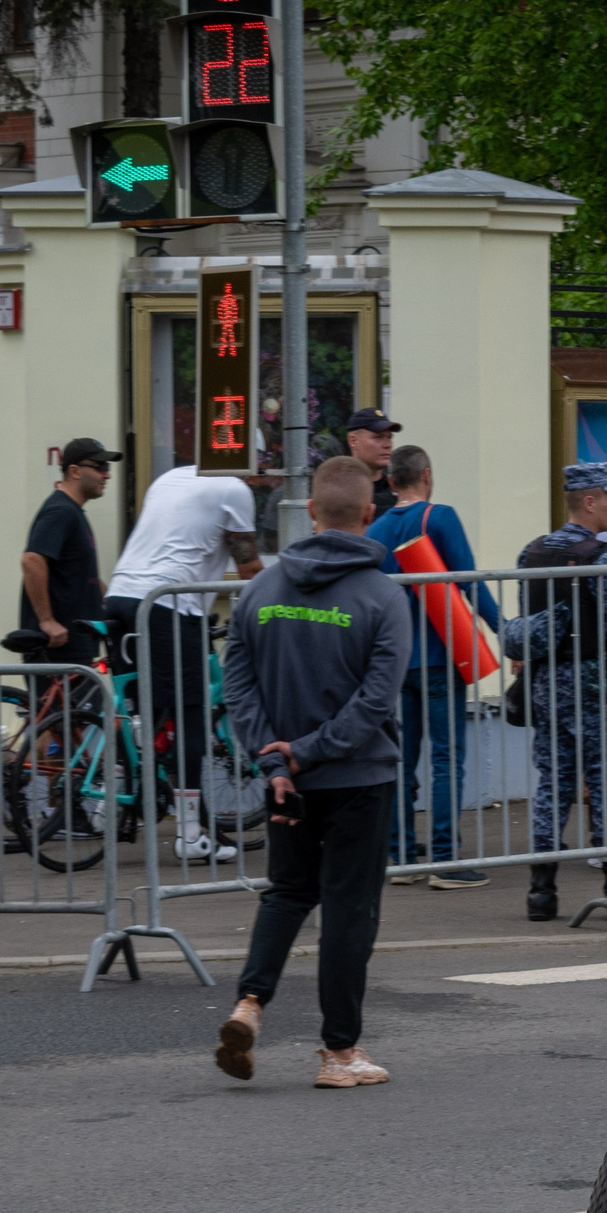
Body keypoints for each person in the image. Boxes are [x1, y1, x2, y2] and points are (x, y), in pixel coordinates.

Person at [214, 456, 409, 1089]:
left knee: (288, 890)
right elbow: (376, 701)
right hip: (357, 775)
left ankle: (249, 1003)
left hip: (284, 781)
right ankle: (339, 1052)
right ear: (369, 516)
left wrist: (274, 757)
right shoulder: (383, 595)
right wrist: (310, 750)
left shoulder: (260, 591)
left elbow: (237, 685)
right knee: (349, 911)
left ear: (312, 514)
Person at [106, 461, 264, 863]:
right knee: (191, 713)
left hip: (121, 595)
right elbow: (249, 567)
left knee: (141, 715)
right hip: (169, 603)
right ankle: (191, 835)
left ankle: (113, 805)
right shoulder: (234, 489)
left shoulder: (170, 477)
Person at [366, 443, 502, 890]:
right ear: (426, 474)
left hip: (394, 661)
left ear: (389, 481)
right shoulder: (439, 517)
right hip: (441, 656)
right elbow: (468, 582)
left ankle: (400, 855)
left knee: (403, 758)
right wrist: (506, 631)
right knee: (446, 758)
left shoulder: (379, 527)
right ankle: (444, 859)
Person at [515, 463, 607, 923]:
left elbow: (526, 629)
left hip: (548, 688)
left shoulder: (531, 553)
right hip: (599, 689)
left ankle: (541, 892)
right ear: (589, 502)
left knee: (554, 784)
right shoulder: (604, 557)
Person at [20, 437, 118, 662]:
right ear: (74, 471)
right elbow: (32, 560)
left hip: (75, 643)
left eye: (108, 468)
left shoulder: (73, 512)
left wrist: (113, 600)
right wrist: (46, 621)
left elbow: (81, 574)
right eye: (100, 467)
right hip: (58, 646)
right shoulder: (61, 511)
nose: (107, 474)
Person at [343, 408, 403, 518]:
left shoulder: (399, 492)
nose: (387, 445)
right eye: (378, 437)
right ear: (353, 441)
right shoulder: (338, 490)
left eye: (389, 437)